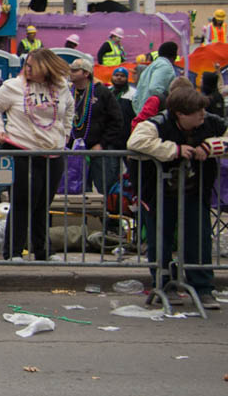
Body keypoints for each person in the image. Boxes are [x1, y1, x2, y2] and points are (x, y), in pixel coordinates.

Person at [128, 85, 225, 310]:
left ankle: (203, 288)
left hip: (196, 190)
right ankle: (163, 285)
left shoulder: (211, 122)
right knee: (160, 240)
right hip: (160, 193)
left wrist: (210, 146)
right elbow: (135, 142)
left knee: (198, 239)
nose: (202, 115)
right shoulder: (157, 124)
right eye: (197, 112)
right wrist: (174, 150)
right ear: (180, 114)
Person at [0, 48, 74, 260]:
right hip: (22, 149)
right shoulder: (13, 86)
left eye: (31, 67)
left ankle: (43, 251)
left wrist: (67, 133)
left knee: (44, 203)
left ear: (45, 68)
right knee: (23, 201)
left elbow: (69, 109)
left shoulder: (62, 87)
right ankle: (13, 251)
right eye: (26, 65)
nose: (27, 69)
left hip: (53, 152)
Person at [67, 58, 122, 196]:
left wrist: (102, 143)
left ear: (86, 73)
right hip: (74, 151)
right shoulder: (67, 93)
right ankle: (81, 218)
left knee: (106, 189)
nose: (71, 73)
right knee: (77, 191)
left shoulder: (102, 92)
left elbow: (116, 121)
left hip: (98, 151)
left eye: (75, 70)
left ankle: (109, 217)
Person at [133, 41, 178, 114]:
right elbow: (155, 89)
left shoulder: (153, 65)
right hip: (153, 112)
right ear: (174, 56)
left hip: (144, 110)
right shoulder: (165, 66)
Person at [108, 66, 137, 153]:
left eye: (122, 76)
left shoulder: (133, 93)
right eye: (116, 75)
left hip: (127, 137)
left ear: (127, 78)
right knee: (112, 166)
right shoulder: (107, 92)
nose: (119, 77)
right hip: (111, 137)